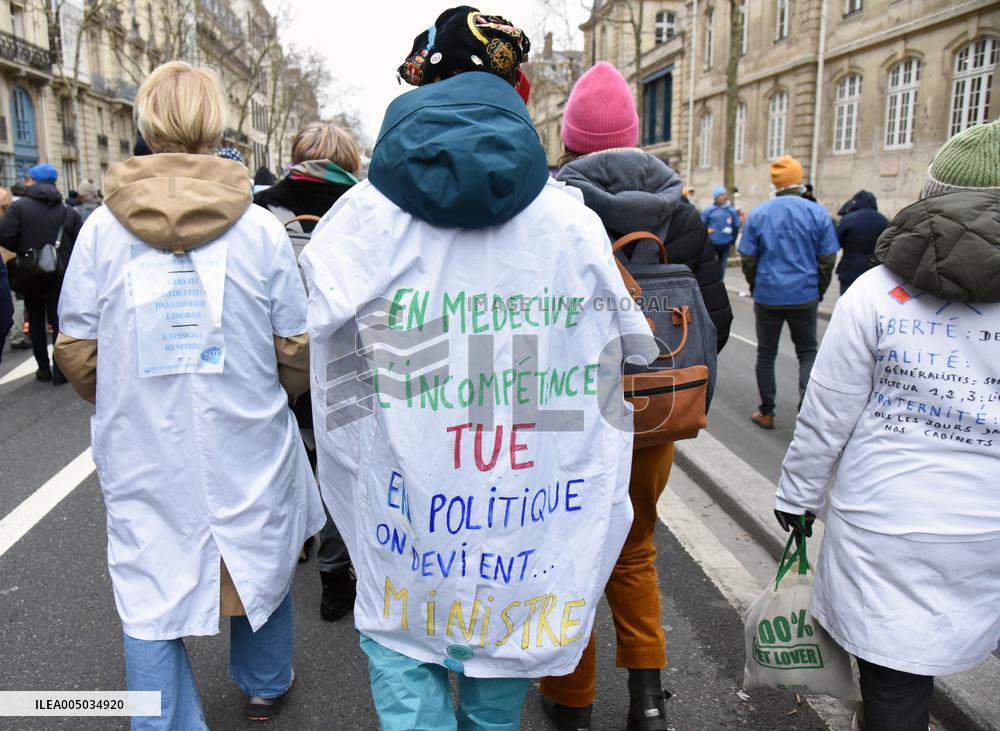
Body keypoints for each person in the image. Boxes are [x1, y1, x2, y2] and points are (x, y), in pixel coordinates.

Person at [301, 8, 657, 730]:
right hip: (520, 538)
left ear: (422, 80)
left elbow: (329, 389)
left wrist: (357, 497)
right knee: (496, 700)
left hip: (402, 526)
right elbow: (620, 368)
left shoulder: (359, 220)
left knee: (410, 690)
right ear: (516, 90)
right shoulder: (573, 223)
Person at [53, 61, 326, 727]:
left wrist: (124, 398)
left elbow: (77, 350)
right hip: (247, 427)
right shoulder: (260, 230)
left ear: (145, 122)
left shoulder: (99, 232)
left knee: (147, 581)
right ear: (214, 122)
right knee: (258, 549)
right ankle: (265, 681)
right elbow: (296, 346)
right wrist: (266, 391)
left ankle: (165, 718)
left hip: (141, 437)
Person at [774, 120, 1000, 731]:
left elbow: (829, 411)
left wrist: (797, 498)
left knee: (893, 686)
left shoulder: (876, 291)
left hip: (887, 520)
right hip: (990, 521)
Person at [540, 61, 731, 731]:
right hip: (652, 413)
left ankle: (571, 699)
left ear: (569, 141)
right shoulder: (681, 211)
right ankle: (648, 700)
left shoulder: (551, 210)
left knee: (570, 549)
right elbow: (717, 325)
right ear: (632, 133)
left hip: (572, 416)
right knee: (636, 547)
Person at [254, 120, 363, 623]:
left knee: (289, 453)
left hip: (280, 355)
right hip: (347, 355)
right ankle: (334, 576)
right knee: (343, 462)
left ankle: (295, 541)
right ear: (349, 160)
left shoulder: (262, 210)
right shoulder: (364, 207)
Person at [738, 155, 838, 430]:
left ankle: (766, 411)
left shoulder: (759, 213)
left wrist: (756, 286)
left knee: (766, 353)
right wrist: (818, 289)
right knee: (807, 352)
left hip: (769, 294)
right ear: (800, 181)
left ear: (776, 184)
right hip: (804, 294)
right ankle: (806, 412)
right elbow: (828, 258)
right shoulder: (817, 212)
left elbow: (747, 257)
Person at [0, 164, 82, 383]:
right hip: (61, 274)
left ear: (35, 182)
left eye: (28, 178)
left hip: (31, 275)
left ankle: (43, 368)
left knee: (35, 321)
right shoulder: (68, 211)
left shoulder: (20, 208)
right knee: (59, 322)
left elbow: (4, 236)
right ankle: (60, 370)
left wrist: (23, 247)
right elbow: (80, 244)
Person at [835, 190, 889, 295]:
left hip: (849, 270)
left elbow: (836, 242)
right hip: (874, 272)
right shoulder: (884, 221)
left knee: (848, 303)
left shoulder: (848, 219)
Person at [701, 184, 741, 280]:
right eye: (721, 195)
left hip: (725, 244)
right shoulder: (709, 211)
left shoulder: (731, 211)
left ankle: (720, 284)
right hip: (712, 244)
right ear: (715, 198)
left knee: (722, 267)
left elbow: (736, 226)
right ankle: (711, 283)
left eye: (725, 194)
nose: (725, 197)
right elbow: (702, 227)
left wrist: (732, 240)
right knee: (712, 266)